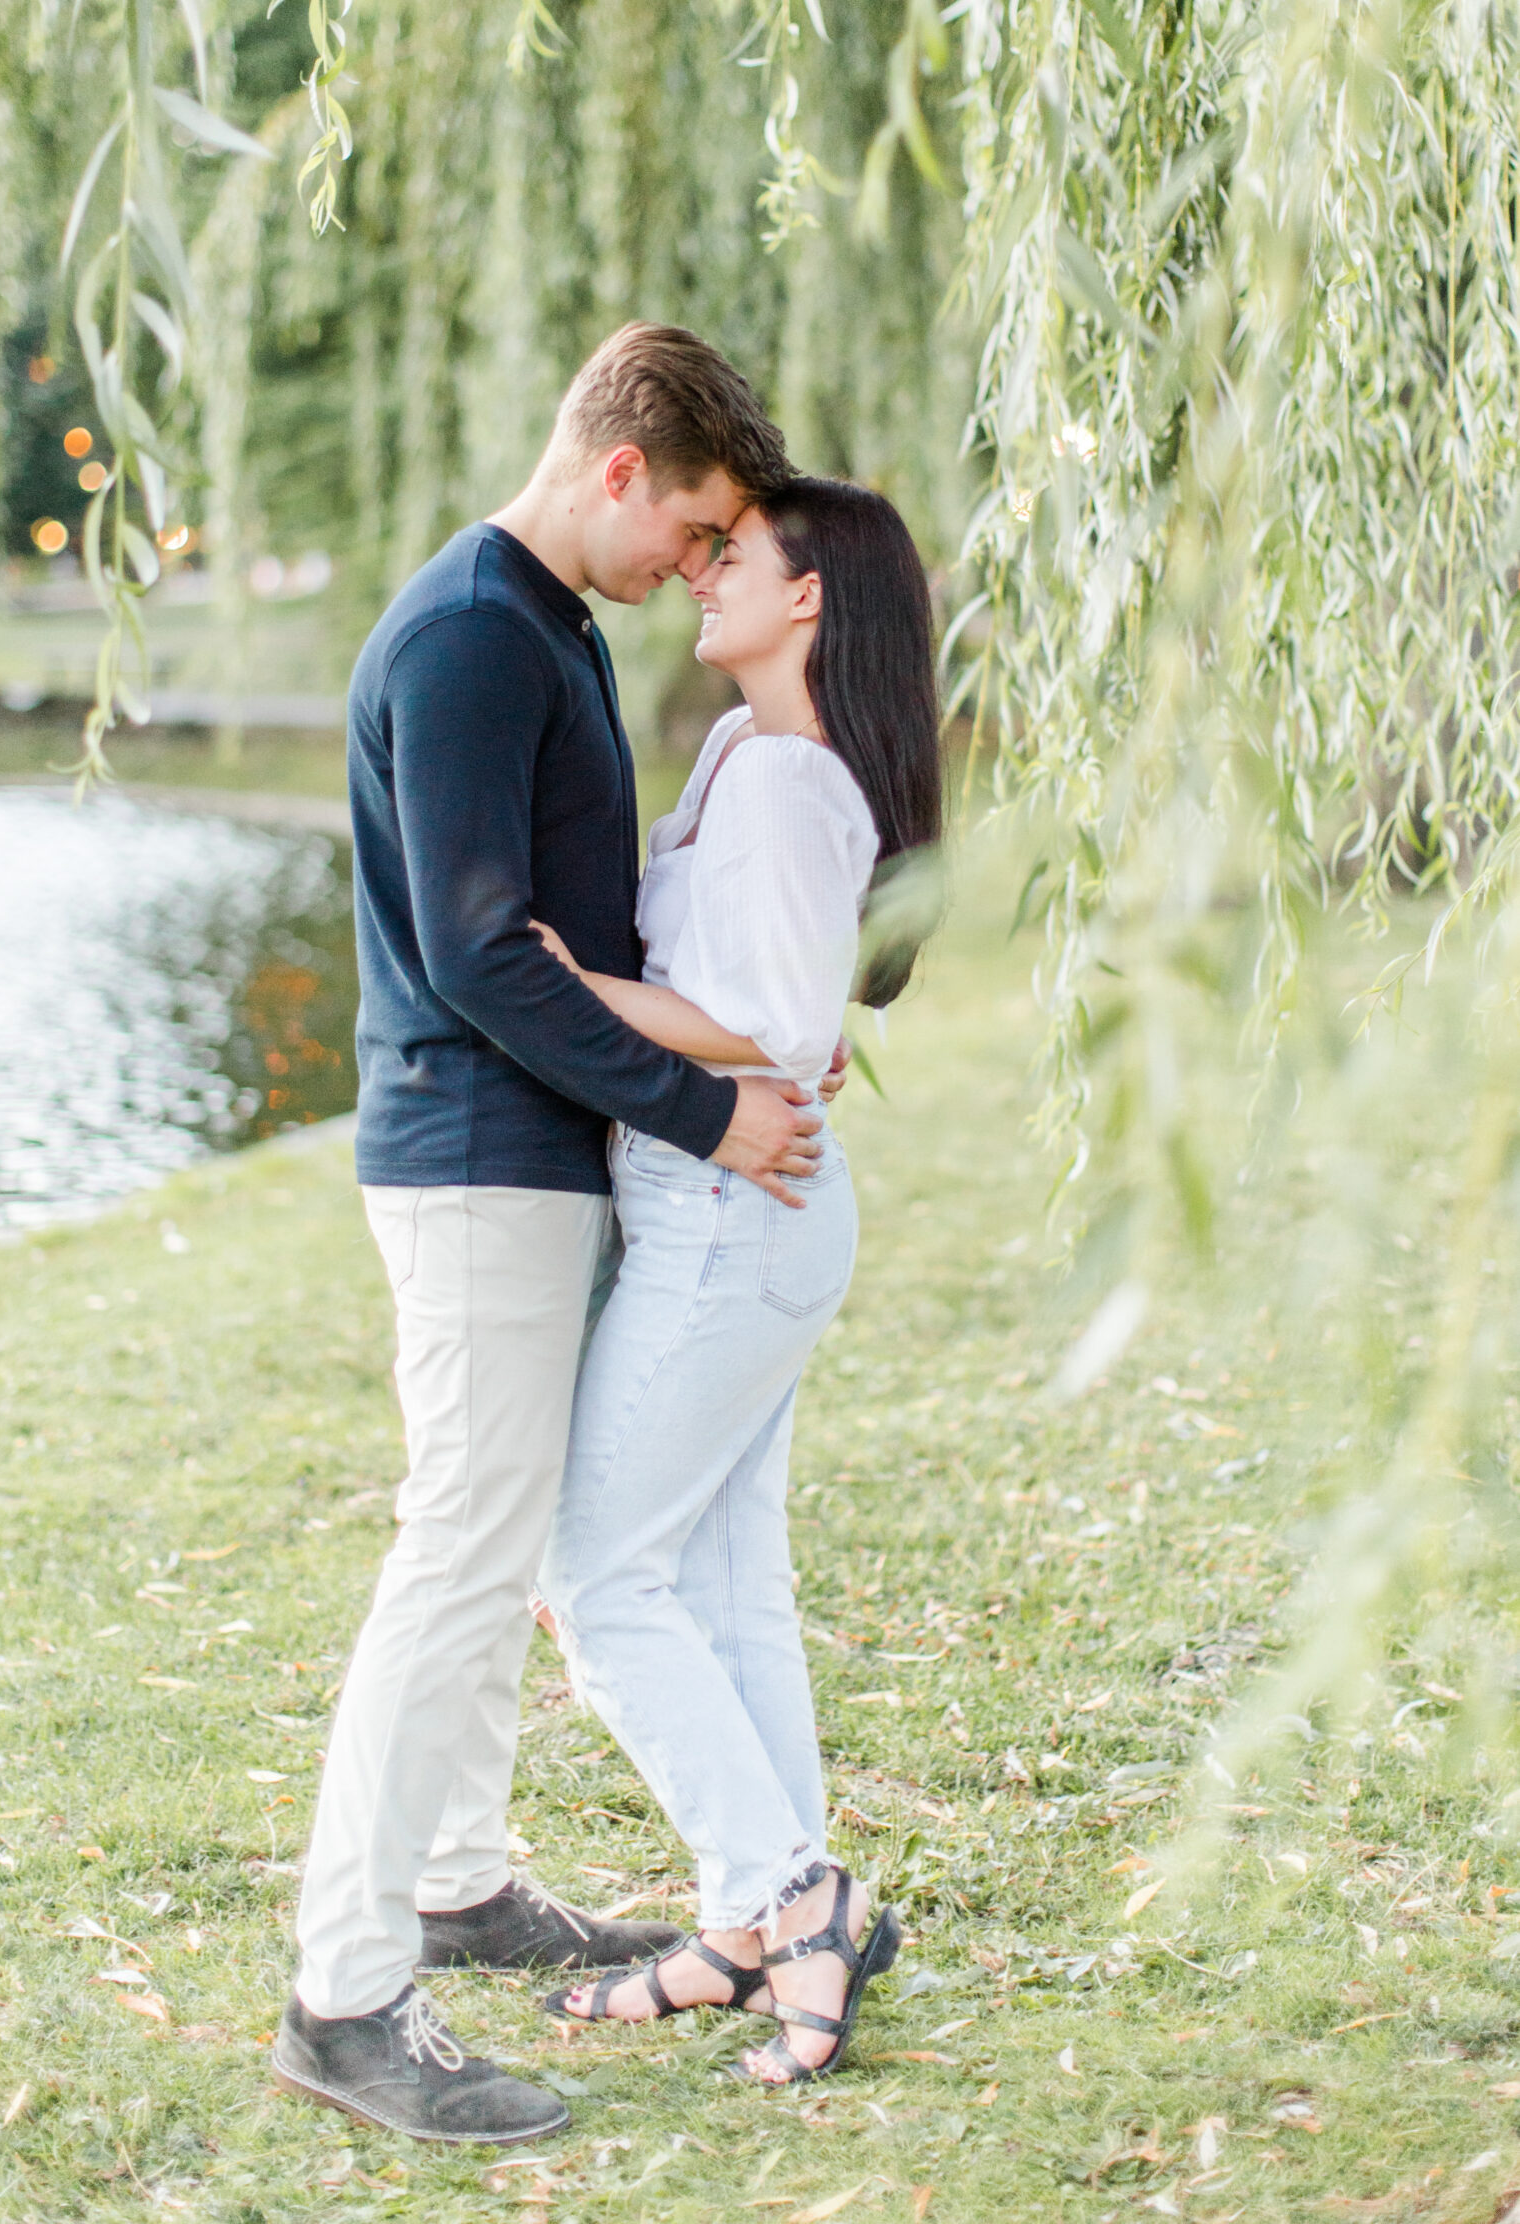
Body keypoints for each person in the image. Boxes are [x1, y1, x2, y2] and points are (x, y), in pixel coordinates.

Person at [272, 325, 831, 2148]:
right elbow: (480, 951)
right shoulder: (463, 639)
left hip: (542, 1156)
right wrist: (706, 1111)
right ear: (614, 470)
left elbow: (601, 937)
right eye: (691, 522)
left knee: (505, 1533)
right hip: (472, 1162)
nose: (695, 560)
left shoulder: (546, 628)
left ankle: (459, 1880)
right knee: (459, 1552)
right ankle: (348, 1998)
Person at [531, 477, 942, 2087]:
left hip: (730, 1220)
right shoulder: (745, 755)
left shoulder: (783, 779)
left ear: (810, 598)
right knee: (717, 1578)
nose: (703, 574)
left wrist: (579, 989)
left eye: (734, 556)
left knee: (598, 1576)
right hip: (743, 1212)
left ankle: (793, 1892)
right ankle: (747, 1916)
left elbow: (769, 1026)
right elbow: (791, 1007)